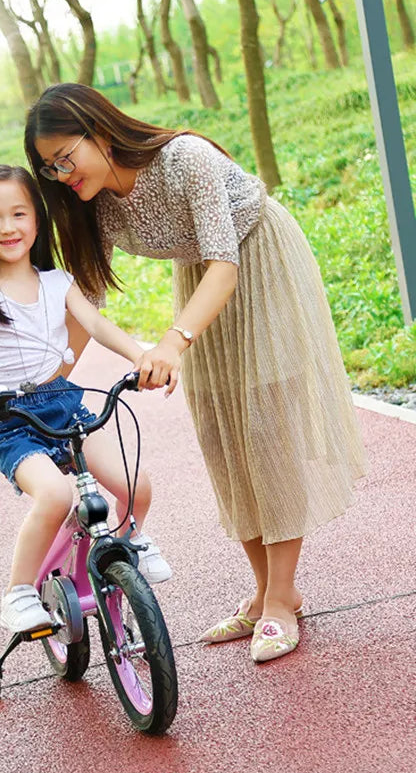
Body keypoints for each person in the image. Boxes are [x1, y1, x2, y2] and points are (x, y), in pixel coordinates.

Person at [24, 83, 367, 662]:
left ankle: (283, 598)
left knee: (266, 427)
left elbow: (225, 262)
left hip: (255, 265)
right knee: (222, 431)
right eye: (50, 168)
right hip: (201, 283)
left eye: (65, 158)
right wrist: (49, 377)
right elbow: (86, 301)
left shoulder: (186, 159)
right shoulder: (98, 204)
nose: (61, 175)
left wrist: (173, 340)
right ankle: (262, 596)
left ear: (99, 131)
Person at [0, 164, 172, 634]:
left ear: (37, 219)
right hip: (10, 418)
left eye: (18, 213)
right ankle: (18, 594)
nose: (8, 227)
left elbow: (97, 326)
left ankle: (127, 545)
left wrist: (143, 356)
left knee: (136, 483)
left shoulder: (59, 283)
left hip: (65, 405)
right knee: (54, 495)